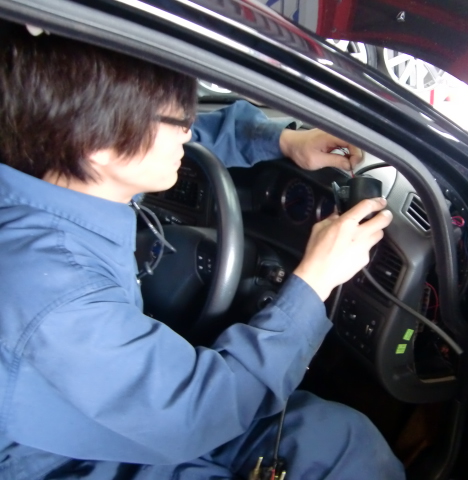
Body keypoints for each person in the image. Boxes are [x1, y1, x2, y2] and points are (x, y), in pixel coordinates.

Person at [0, 25, 405, 480]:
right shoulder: (56, 291)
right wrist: (314, 282)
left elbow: (190, 140)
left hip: (112, 410)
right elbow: (193, 415)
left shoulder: (58, 174)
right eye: (177, 121)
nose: (188, 131)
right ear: (99, 143)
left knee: (342, 438)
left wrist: (284, 141)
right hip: (68, 458)